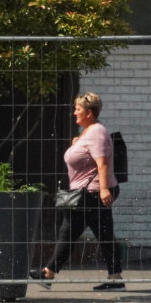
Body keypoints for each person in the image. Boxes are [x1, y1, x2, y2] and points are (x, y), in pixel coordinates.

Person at [31, 92, 124, 291]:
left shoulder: (96, 131)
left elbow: (103, 162)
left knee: (69, 231)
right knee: (102, 234)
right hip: (89, 193)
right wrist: (77, 145)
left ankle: (48, 273)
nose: (74, 113)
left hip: (92, 193)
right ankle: (115, 278)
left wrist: (104, 189)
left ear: (89, 112)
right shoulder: (89, 131)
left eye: (78, 109)